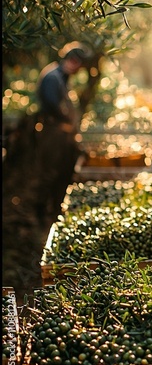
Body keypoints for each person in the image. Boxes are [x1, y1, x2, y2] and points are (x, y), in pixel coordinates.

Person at [34, 41, 95, 227]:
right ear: (74, 61)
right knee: (50, 172)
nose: (79, 70)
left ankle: (50, 211)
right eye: (80, 66)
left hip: (59, 133)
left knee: (58, 171)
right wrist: (67, 124)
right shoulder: (53, 77)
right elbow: (54, 107)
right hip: (52, 134)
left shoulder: (60, 76)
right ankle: (43, 215)